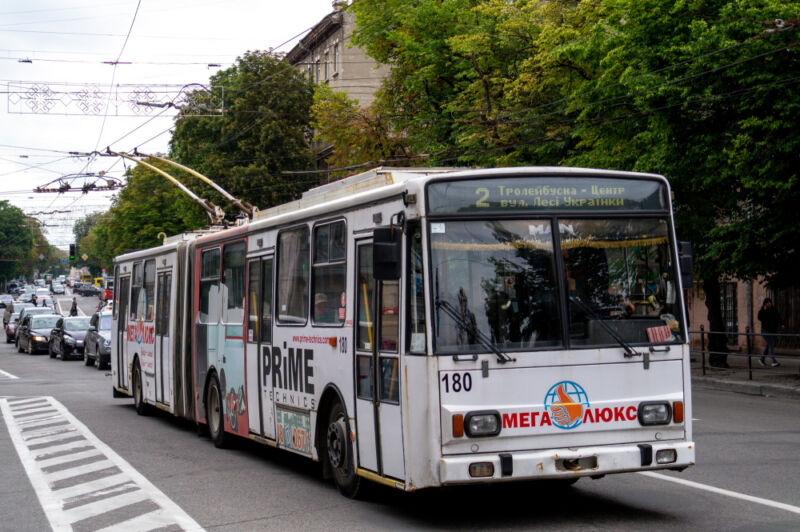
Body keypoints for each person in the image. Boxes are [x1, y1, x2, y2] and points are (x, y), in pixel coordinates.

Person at [757, 298, 782, 367]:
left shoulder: (774, 309)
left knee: (768, 345)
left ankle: (761, 359)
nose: (769, 304)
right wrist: (764, 311)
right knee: (771, 344)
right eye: (767, 303)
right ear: (765, 304)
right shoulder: (762, 310)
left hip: (772, 330)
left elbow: (778, 317)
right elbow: (759, 318)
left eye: (770, 302)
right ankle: (774, 361)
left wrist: (782, 324)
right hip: (765, 331)